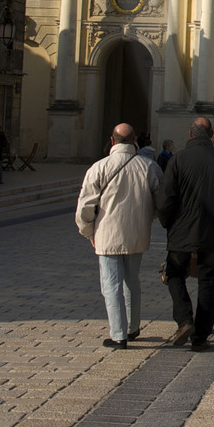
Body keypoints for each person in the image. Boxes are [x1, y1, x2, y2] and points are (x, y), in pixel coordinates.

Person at [155, 117, 214, 351]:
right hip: (213, 231)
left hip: (181, 230)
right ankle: (201, 336)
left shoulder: (178, 159)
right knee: (208, 282)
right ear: (211, 133)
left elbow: (165, 200)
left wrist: (168, 224)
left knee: (175, 274)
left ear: (190, 134)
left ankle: (185, 320)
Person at [76, 123, 163, 348]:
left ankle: (118, 333)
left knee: (111, 285)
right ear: (134, 140)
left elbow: (85, 207)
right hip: (137, 233)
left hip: (107, 234)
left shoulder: (99, 167)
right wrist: (147, 218)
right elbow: (160, 202)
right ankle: (133, 327)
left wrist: (88, 231)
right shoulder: (149, 167)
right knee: (132, 281)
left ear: (112, 140)